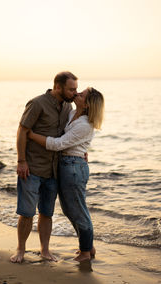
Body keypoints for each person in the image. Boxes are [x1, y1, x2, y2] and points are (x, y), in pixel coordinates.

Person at [28, 87, 104, 262]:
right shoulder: (72, 114)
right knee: (71, 210)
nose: (77, 94)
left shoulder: (85, 125)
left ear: (87, 104)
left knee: (77, 210)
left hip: (74, 167)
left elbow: (58, 143)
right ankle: (88, 246)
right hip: (66, 165)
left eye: (81, 95)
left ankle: (85, 252)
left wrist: (31, 135)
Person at [10, 71, 78, 263]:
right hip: (32, 167)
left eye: (76, 89)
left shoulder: (68, 106)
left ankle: (45, 250)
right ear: (58, 87)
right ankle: (20, 250)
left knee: (47, 212)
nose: (75, 92)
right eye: (71, 89)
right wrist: (21, 161)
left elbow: (69, 134)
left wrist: (80, 151)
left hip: (54, 170)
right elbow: (22, 130)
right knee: (26, 212)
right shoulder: (37, 103)